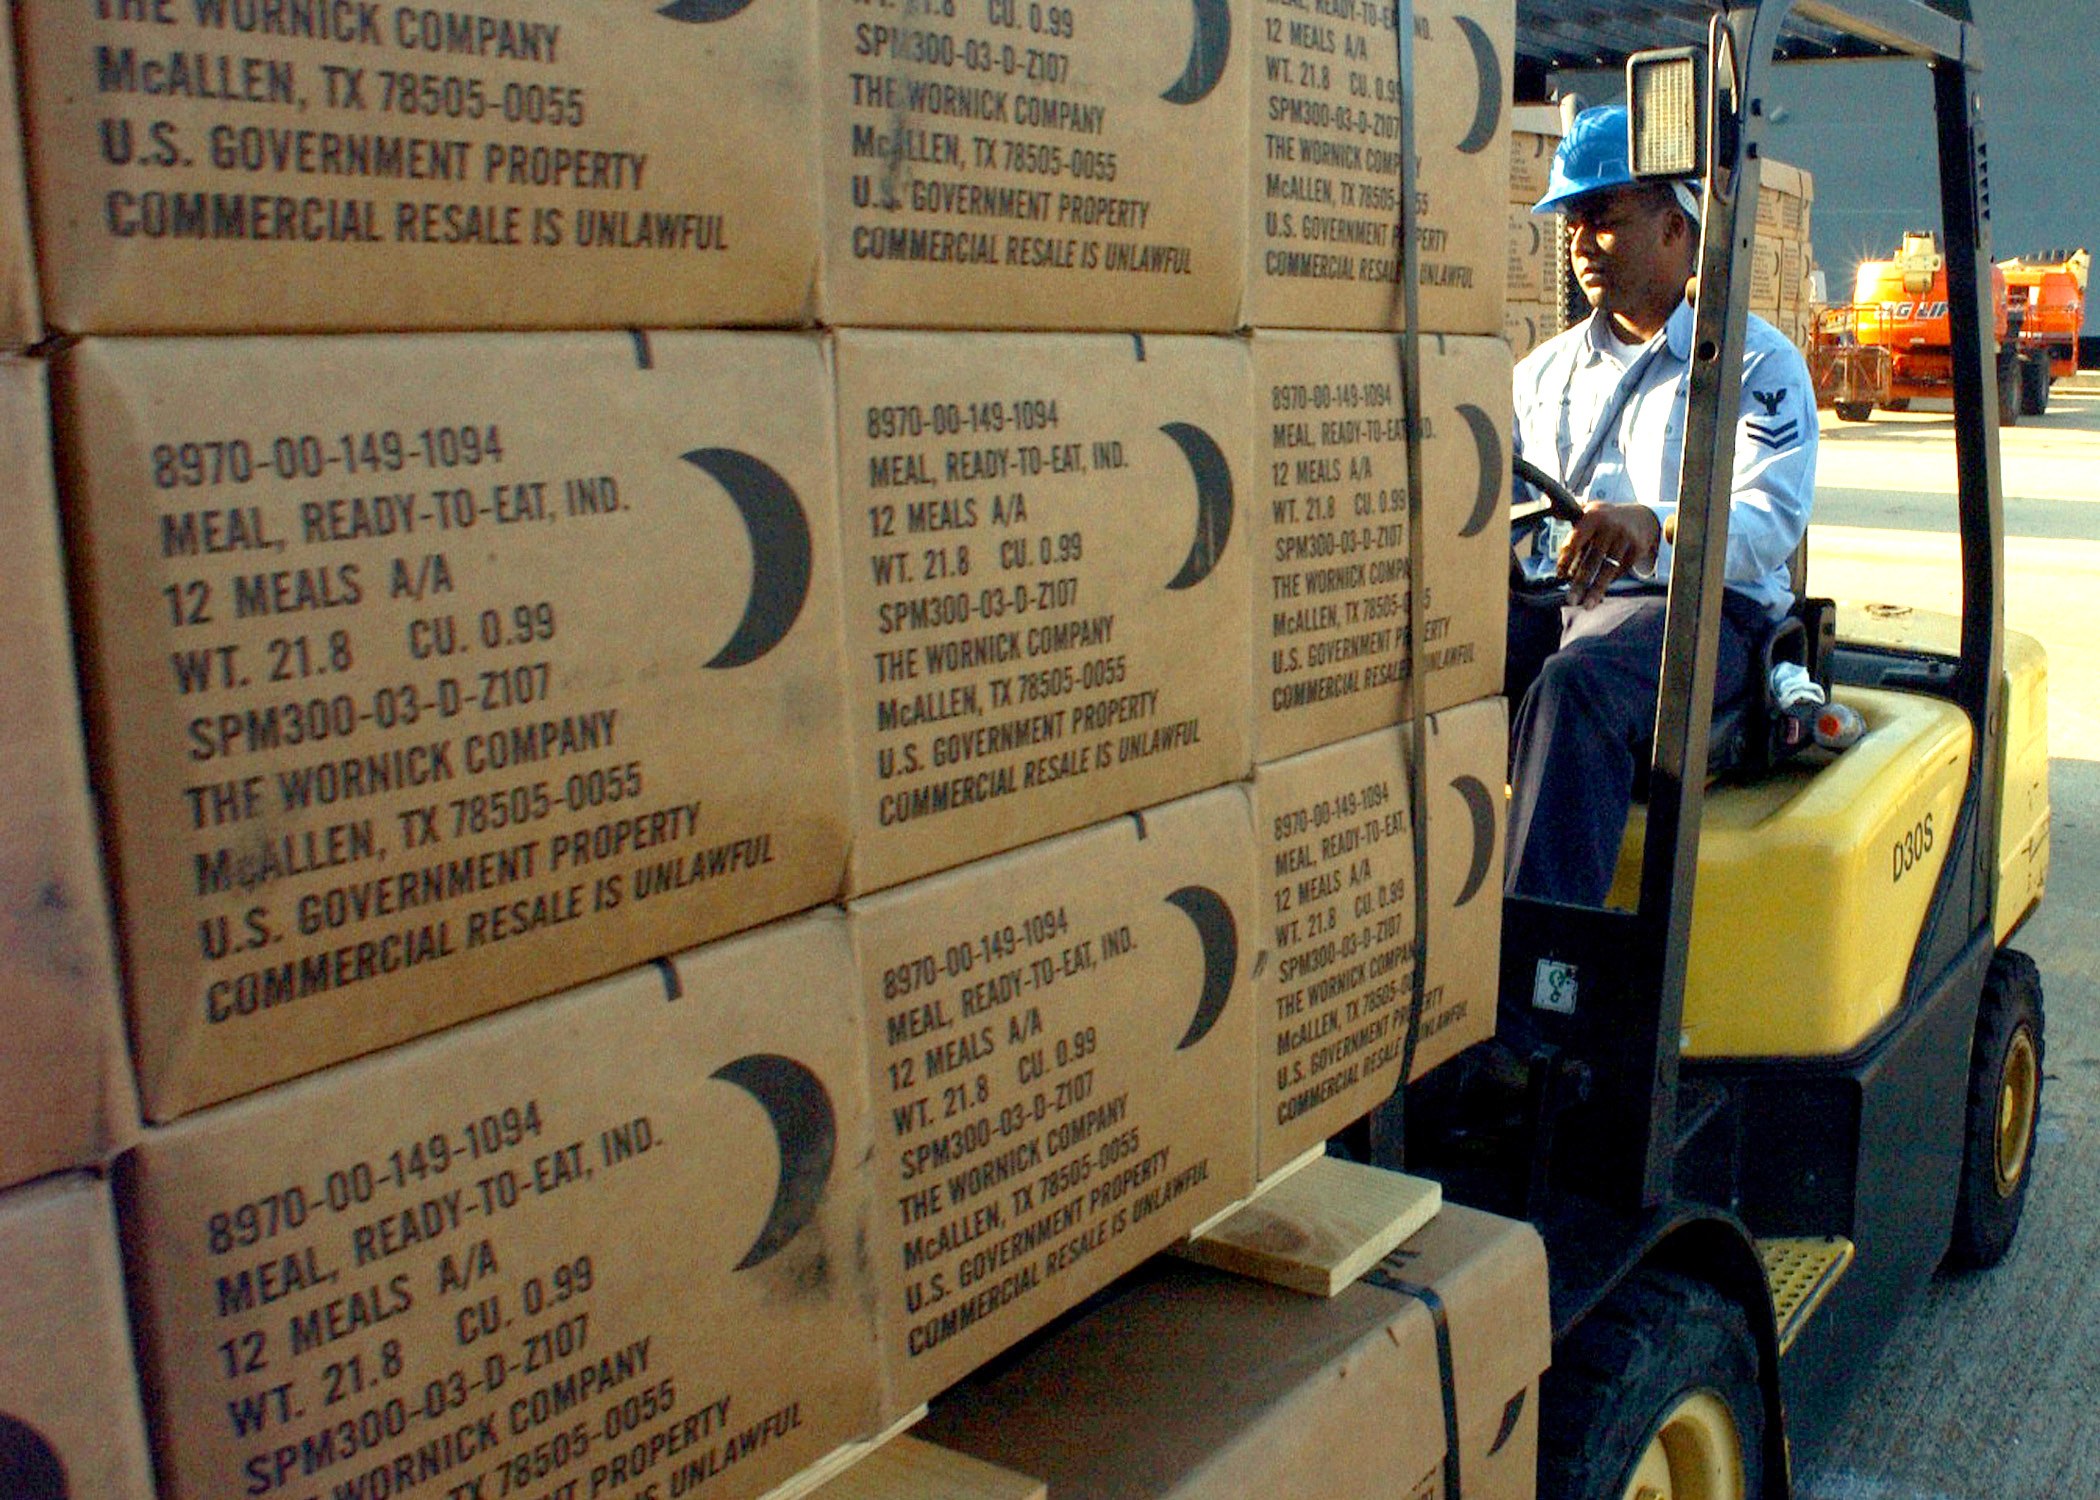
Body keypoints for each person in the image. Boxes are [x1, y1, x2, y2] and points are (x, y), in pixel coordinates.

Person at [1506, 104, 1818, 905]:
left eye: (1603, 219)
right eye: (1573, 223)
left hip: (1703, 612)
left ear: (1677, 228)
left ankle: (1542, 959)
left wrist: (1655, 527)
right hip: (1566, 599)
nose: (1581, 243)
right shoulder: (1541, 374)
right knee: (1429, 659)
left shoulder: (1754, 365)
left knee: (1577, 688)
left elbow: (1769, 522)